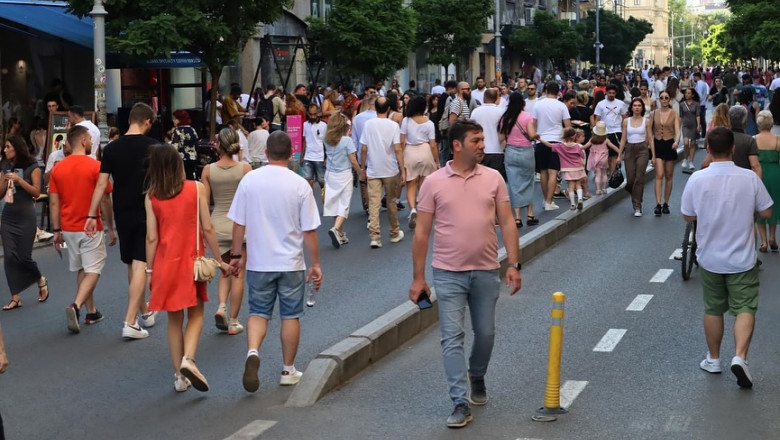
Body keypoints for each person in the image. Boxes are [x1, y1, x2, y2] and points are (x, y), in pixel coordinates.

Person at [408, 119, 522, 429]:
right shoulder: (434, 182)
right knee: (452, 337)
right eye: (476, 140)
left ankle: (477, 374)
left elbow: (508, 222)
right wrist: (419, 278)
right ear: (457, 145)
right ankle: (459, 401)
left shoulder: (494, 178)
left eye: (483, 140)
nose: (483, 145)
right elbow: (421, 233)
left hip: (486, 270)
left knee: (485, 334)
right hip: (447, 274)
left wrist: (513, 264)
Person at [227, 131, 323, 393]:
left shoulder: (250, 181)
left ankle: (253, 351)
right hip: (291, 262)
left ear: (266, 153)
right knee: (290, 315)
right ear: (291, 154)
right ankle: (288, 370)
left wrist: (236, 256)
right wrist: (315, 263)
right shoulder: (300, 184)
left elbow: (238, 222)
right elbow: (310, 231)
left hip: (259, 262)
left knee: (258, 312)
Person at [681, 127, 773, 389]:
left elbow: (688, 215)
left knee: (713, 308)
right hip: (742, 257)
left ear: (707, 149)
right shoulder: (749, 178)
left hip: (709, 256)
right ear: (733, 148)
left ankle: (713, 359)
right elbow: (767, 212)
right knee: (745, 307)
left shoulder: (697, 179)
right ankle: (740, 356)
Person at [145, 145, 230, 392]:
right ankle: (189, 360)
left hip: (164, 264)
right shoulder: (196, 189)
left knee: (174, 319)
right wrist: (219, 260)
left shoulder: (151, 196)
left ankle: (179, 378)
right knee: (196, 313)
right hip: (191, 263)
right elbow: (208, 228)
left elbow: (151, 238)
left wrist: (150, 271)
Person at [84, 103, 158, 339]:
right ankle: (130, 321)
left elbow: (101, 184)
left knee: (131, 262)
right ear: (147, 120)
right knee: (141, 264)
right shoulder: (154, 147)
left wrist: (90, 214)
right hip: (148, 210)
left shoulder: (112, 149)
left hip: (122, 210)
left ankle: (143, 311)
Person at [50, 126, 116, 333]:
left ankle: (92, 311)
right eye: (88, 138)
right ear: (83, 141)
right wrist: (111, 227)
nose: (90, 142)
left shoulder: (57, 169)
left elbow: (54, 203)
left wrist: (56, 229)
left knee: (82, 268)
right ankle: (76, 305)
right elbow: (105, 199)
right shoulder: (96, 167)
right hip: (90, 225)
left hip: (68, 227)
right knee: (94, 269)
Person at [201, 128, 251, 335]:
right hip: (240, 225)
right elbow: (251, 201)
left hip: (217, 224)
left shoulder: (208, 170)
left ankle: (221, 306)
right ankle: (233, 321)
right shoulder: (245, 169)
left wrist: (203, 230)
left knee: (224, 270)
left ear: (218, 145)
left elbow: (204, 203)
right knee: (238, 274)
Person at [1, 135, 49, 310]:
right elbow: (0, 194)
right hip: (8, 216)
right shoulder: (6, 167)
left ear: (16, 147)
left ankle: (40, 279)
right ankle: (15, 297)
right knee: (9, 256)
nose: (4, 150)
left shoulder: (32, 167)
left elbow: (36, 192)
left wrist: (20, 180)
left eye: (7, 147)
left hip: (25, 216)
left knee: (24, 257)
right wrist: (5, 180)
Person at [360, 97, 406, 248]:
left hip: (373, 168)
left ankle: (375, 237)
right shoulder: (393, 125)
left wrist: (362, 167)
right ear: (387, 109)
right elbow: (398, 148)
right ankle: (394, 232)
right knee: (391, 201)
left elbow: (364, 148)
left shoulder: (368, 125)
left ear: (376, 108)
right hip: (390, 168)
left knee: (374, 203)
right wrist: (402, 169)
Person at [323, 111, 364, 248]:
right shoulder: (347, 141)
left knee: (335, 204)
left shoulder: (326, 139)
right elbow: (353, 159)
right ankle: (335, 229)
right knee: (344, 204)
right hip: (344, 174)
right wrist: (360, 172)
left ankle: (340, 233)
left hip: (330, 174)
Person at [498, 92, 538, 226]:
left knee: (514, 184)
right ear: (523, 103)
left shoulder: (505, 118)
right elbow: (532, 135)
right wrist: (536, 135)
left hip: (511, 151)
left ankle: (517, 217)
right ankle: (530, 214)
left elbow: (501, 138)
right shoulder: (527, 116)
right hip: (526, 151)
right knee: (528, 181)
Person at [401, 95, 439, 229]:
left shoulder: (406, 121)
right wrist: (437, 161)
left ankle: (412, 209)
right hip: (425, 151)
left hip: (410, 152)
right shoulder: (429, 123)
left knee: (411, 185)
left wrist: (400, 159)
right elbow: (433, 145)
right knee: (423, 184)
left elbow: (401, 141)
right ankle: (423, 210)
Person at [533, 82, 572, 211]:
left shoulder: (537, 104)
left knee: (543, 171)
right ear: (558, 92)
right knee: (553, 171)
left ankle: (546, 199)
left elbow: (534, 123)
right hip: (557, 140)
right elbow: (568, 126)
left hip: (541, 140)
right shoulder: (561, 106)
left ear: (545, 90)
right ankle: (550, 201)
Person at [618, 98, 655, 217]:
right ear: (632, 107)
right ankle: (636, 194)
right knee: (630, 180)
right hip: (629, 149)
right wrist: (619, 155)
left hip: (642, 150)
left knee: (639, 178)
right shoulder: (626, 121)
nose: (637, 107)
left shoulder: (646, 121)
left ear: (642, 108)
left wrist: (653, 155)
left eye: (639, 105)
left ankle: (637, 205)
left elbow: (650, 138)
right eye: (635, 105)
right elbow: (623, 138)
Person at [538, 128, 587, 210]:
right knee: (578, 185)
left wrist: (540, 139)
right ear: (574, 135)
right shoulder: (577, 146)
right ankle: (580, 198)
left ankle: (572, 204)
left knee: (570, 186)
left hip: (567, 169)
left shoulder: (560, 146)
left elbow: (549, 145)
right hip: (578, 168)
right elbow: (582, 155)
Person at [651, 91, 681, 216]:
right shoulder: (654, 113)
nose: (664, 100)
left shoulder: (674, 114)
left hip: (669, 144)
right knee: (659, 174)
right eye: (661, 98)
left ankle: (666, 203)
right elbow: (650, 131)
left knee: (669, 175)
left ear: (669, 100)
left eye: (666, 98)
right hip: (658, 144)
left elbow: (677, 130)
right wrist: (650, 147)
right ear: (659, 99)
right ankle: (657, 203)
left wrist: (676, 141)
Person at [754, 110, 780, 252]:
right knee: (773, 205)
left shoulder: (753, 139)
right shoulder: (778, 139)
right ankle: (772, 237)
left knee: (760, 207)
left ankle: (763, 241)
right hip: (776, 173)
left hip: (759, 174)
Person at [470, 89, 505, 180]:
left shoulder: (475, 112)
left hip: (479, 149)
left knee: (479, 179)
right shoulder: (501, 112)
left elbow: (471, 130)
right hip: (497, 150)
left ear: (484, 98)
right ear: (496, 98)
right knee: (495, 179)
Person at [593, 84, 627, 177]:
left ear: (616, 93)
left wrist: (625, 131)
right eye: (609, 93)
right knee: (605, 155)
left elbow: (625, 118)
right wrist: (596, 133)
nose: (611, 95)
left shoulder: (621, 104)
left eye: (613, 93)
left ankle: (612, 175)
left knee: (614, 155)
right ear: (606, 92)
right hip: (604, 132)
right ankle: (607, 171)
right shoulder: (601, 104)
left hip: (617, 131)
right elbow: (597, 119)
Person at [301, 104, 328, 200]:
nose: (313, 116)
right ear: (308, 113)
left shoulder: (324, 125)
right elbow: (305, 140)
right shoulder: (305, 124)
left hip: (320, 157)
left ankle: (325, 197)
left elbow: (327, 142)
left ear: (318, 113)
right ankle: (310, 201)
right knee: (308, 180)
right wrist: (302, 156)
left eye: (315, 114)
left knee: (321, 181)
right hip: (308, 156)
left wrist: (327, 157)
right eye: (311, 114)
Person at [585, 122, 619, 195]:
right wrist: (620, 152)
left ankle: (598, 189)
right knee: (604, 174)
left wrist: (577, 148)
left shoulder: (592, 140)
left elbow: (585, 146)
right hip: (604, 159)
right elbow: (613, 146)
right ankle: (604, 188)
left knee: (598, 174)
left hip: (595, 159)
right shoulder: (606, 140)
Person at [171, 110, 199, 180]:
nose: (173, 121)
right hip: (193, 158)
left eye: (175, 119)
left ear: (180, 119)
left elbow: (174, 147)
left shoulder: (177, 130)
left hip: (181, 159)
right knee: (191, 176)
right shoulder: (192, 129)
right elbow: (196, 143)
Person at [680, 88, 701, 172]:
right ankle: (685, 159)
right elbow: (680, 116)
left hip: (694, 125)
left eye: (689, 93)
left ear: (692, 95)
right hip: (685, 125)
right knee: (686, 143)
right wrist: (678, 126)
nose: (687, 95)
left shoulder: (696, 104)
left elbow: (698, 115)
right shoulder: (682, 104)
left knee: (692, 144)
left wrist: (698, 125)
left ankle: (691, 161)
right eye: (686, 93)